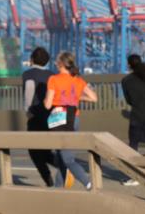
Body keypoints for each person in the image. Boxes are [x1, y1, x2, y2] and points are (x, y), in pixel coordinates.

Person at [44, 51, 98, 190]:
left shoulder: (53, 79)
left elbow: (48, 105)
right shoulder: (78, 80)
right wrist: (77, 98)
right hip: (75, 118)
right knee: (63, 155)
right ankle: (58, 189)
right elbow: (94, 98)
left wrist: (46, 99)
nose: (55, 64)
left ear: (61, 64)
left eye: (56, 62)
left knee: (68, 159)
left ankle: (89, 184)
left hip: (59, 118)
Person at [22, 47, 55, 187]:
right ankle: (65, 166)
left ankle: (50, 180)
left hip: (36, 116)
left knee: (34, 151)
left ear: (32, 59)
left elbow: (29, 90)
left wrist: (27, 111)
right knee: (46, 150)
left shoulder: (28, 74)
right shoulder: (52, 74)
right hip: (52, 117)